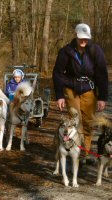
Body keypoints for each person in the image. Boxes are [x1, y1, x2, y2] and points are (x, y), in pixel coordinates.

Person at [52, 23, 108, 164]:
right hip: (71, 89)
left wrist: (102, 97)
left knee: (89, 122)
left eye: (86, 38)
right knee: (76, 121)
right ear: (76, 36)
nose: (84, 41)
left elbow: (102, 74)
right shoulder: (66, 51)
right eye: (81, 38)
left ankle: (85, 154)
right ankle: (77, 152)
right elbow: (57, 74)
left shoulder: (96, 51)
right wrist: (59, 96)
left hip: (89, 90)